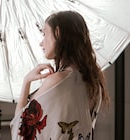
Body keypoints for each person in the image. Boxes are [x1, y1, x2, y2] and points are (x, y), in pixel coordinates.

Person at [10, 10, 110, 140]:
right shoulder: (94, 80)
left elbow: (20, 131)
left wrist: (27, 81)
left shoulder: (58, 80)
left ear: (57, 33)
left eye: (44, 33)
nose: (41, 43)